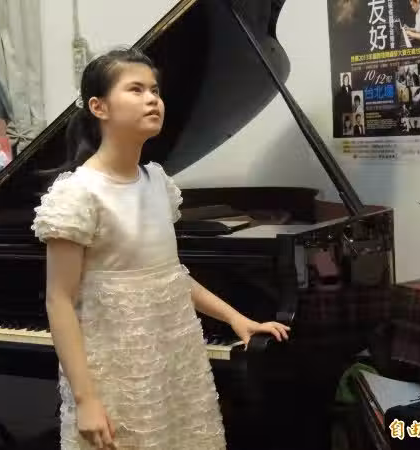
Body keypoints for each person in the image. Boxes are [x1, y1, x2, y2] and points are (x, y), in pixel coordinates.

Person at [31, 48, 290, 450]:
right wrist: (86, 400)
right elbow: (58, 301)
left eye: (155, 90)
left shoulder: (157, 183)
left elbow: (169, 276)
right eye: (136, 90)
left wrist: (236, 318)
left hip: (176, 361)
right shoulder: (77, 194)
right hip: (117, 370)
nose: (152, 99)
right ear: (99, 107)